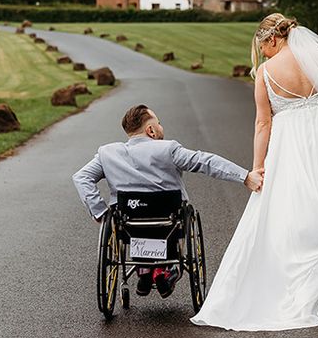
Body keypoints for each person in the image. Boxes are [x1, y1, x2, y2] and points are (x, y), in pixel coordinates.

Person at [191, 14, 318, 331]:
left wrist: (257, 166)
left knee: (290, 211)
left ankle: (294, 284)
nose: (262, 54)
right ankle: (310, 285)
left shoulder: (267, 72)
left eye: (261, 47)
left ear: (271, 40)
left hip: (291, 145)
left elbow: (263, 124)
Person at [73, 104, 263, 298]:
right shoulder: (168, 149)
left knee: (135, 221)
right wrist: (245, 176)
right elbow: (205, 161)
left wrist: (101, 213)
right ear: (151, 130)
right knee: (173, 216)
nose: (161, 127)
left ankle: (144, 269)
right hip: (168, 223)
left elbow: (81, 177)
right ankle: (162, 270)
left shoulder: (108, 153)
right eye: (159, 122)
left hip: (128, 223)